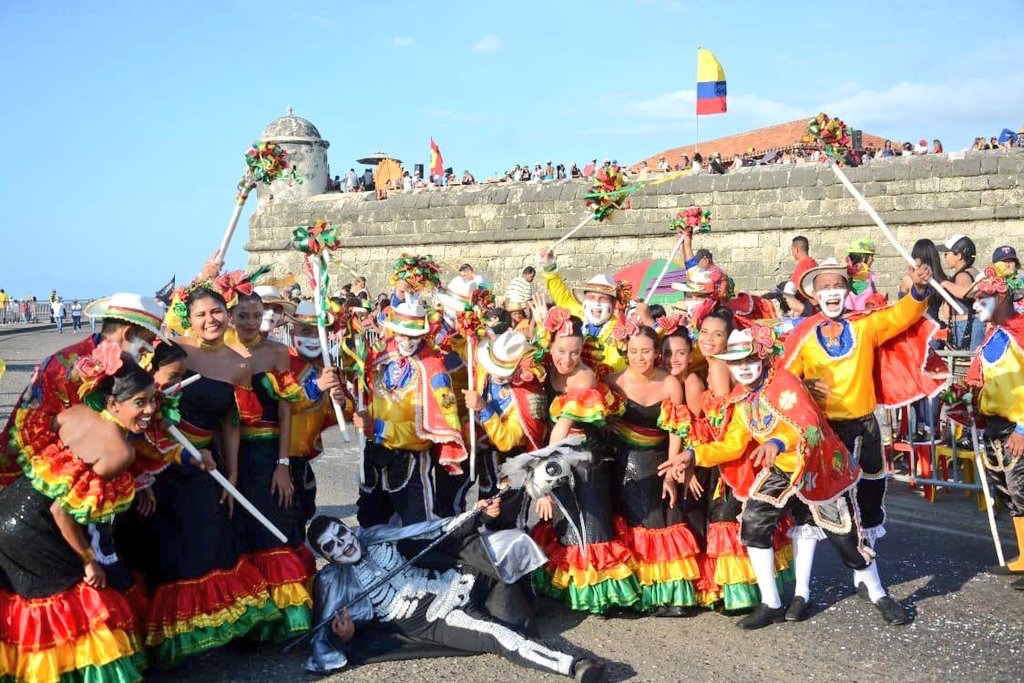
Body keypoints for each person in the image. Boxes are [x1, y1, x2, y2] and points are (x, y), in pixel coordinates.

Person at [666, 326, 902, 628]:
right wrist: (693, 455)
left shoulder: (784, 383)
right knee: (753, 522)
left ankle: (879, 594)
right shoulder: (741, 399)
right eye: (736, 362)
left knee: (846, 542)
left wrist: (776, 443)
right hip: (781, 469)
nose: (743, 367)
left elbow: (809, 424)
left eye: (749, 359)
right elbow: (733, 443)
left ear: (762, 358)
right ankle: (771, 602)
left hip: (819, 467)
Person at [782, 257, 942, 610]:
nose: (832, 292)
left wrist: (917, 289)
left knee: (867, 503)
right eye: (824, 287)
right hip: (821, 433)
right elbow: (783, 380)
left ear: (847, 290)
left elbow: (903, 315)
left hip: (864, 428)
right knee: (810, 510)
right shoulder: (803, 333)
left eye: (838, 285)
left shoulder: (865, 326)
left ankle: (868, 583)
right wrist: (805, 386)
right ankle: (801, 592)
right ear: (813, 295)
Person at [142, 283, 284, 669]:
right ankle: (154, 642)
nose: (210, 320)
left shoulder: (239, 364)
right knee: (159, 548)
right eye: (202, 314)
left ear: (228, 314)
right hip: (158, 461)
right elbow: (142, 403)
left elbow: (231, 423)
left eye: (217, 312)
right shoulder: (173, 351)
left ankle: (189, 639)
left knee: (204, 543)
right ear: (190, 319)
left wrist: (232, 471)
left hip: (204, 464)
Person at [0, 350, 157, 682]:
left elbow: (29, 458)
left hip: (6, 510)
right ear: (114, 404)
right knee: (74, 607)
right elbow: (61, 510)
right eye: (141, 403)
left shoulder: (75, 412)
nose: (150, 411)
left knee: (29, 604)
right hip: (37, 527)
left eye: (153, 401)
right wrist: (88, 559)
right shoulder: (120, 451)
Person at [304, 509, 606, 681]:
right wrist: (344, 637)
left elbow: (430, 531)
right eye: (330, 546)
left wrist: (476, 514)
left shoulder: (377, 535)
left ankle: (534, 600)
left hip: (451, 582)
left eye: (340, 534)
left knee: (499, 551)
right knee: (496, 635)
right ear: (327, 558)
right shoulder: (333, 581)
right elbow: (324, 637)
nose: (342, 545)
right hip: (434, 618)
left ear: (349, 530)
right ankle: (573, 665)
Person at [528, 308, 640, 613]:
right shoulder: (543, 368)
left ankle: (598, 595)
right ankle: (570, 589)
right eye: (561, 350)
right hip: (558, 452)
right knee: (565, 524)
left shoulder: (584, 377)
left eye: (575, 352)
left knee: (590, 524)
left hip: (585, 458)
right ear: (550, 347)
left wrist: (544, 485)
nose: (567, 359)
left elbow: (562, 429)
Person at [0, 292, 165, 485]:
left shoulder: (118, 362)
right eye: (148, 341)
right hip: (41, 477)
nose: (151, 349)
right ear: (128, 334)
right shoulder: (68, 368)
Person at [228, 283, 313, 640]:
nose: (250, 322)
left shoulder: (277, 352)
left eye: (256, 315)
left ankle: (284, 616)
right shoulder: (218, 352)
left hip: (267, 455)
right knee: (238, 533)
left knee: (275, 527)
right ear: (230, 316)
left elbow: (285, 411)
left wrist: (283, 464)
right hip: (229, 457)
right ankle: (248, 618)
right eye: (242, 315)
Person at [605, 323, 702, 615]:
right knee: (635, 523)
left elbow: (676, 429)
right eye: (633, 351)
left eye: (645, 351)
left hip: (660, 458)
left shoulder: (670, 383)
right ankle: (640, 593)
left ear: (657, 353)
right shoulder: (613, 381)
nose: (639, 357)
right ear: (625, 352)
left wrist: (673, 470)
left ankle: (674, 597)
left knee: (666, 521)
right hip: (624, 461)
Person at [352, 299, 467, 527]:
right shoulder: (380, 356)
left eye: (413, 336)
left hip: (410, 457)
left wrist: (378, 427)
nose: (406, 341)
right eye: (401, 334)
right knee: (371, 520)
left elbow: (432, 426)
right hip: (375, 450)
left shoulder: (434, 369)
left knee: (417, 526)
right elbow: (361, 388)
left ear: (423, 335)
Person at [963, 266, 1024, 589]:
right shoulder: (992, 336)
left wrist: (1023, 430)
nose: (975, 306)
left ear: (1001, 297)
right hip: (997, 427)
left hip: (1019, 429)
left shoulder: (1022, 331)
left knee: (1023, 490)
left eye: (981, 298)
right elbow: (983, 382)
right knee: (1011, 493)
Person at [462, 330, 547, 528]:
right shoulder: (487, 373)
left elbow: (507, 440)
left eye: (503, 372)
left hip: (512, 465)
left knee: (509, 521)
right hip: (486, 461)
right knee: (485, 515)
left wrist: (484, 408)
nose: (495, 375)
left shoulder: (529, 395)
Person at [285, 301, 347, 537]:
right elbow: (285, 404)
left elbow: (335, 414)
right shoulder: (283, 363)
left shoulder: (326, 366)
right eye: (305, 332)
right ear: (292, 333)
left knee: (305, 506)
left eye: (317, 333)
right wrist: (317, 386)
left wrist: (340, 402)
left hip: (303, 455)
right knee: (288, 511)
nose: (312, 338)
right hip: (280, 455)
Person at [539, 248, 630, 375]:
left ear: (613, 304)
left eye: (603, 299)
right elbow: (560, 293)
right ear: (584, 301)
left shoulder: (620, 330)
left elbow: (620, 365)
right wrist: (549, 266)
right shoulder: (575, 312)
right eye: (592, 297)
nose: (596, 303)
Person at [937, 234, 982, 350]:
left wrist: (945, 283)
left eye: (947, 253)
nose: (944, 257)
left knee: (969, 363)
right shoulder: (972, 271)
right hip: (968, 325)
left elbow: (965, 291)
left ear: (959, 256)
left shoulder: (963, 275)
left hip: (967, 325)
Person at [845, 239, 879, 311]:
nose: (873, 260)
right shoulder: (846, 277)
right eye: (871, 256)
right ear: (863, 257)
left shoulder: (869, 276)